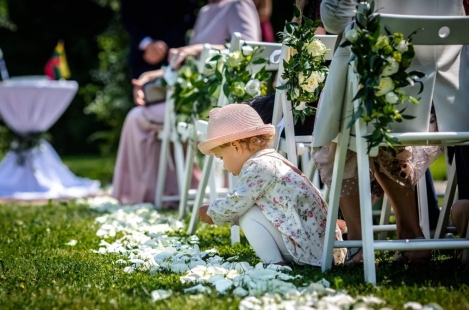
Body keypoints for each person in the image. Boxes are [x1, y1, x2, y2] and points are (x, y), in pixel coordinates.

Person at [311, 0, 469, 266]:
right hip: (447, 99)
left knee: (347, 128)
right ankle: (411, 234)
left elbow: (334, 21)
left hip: (377, 88)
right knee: (381, 122)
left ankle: (360, 243)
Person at [112, 0, 261, 206]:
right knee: (137, 114)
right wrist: (152, 75)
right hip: (195, 99)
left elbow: (250, 50)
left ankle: (152, 194)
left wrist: (198, 49)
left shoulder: (238, 4)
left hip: (220, 102)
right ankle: (166, 191)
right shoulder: (206, 11)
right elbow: (192, 63)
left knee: (137, 118)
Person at [196, 103, 347, 267]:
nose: (224, 166)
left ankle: (275, 263)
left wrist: (211, 212)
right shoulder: (272, 161)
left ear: (236, 146)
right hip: (322, 249)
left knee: (247, 214)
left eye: (221, 158)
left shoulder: (258, 168)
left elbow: (236, 203)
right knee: (250, 208)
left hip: (309, 251)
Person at [120, 0, 199, 81]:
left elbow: (188, 14)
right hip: (142, 57)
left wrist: (166, 43)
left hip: (175, 56)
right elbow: (127, 17)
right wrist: (147, 44)